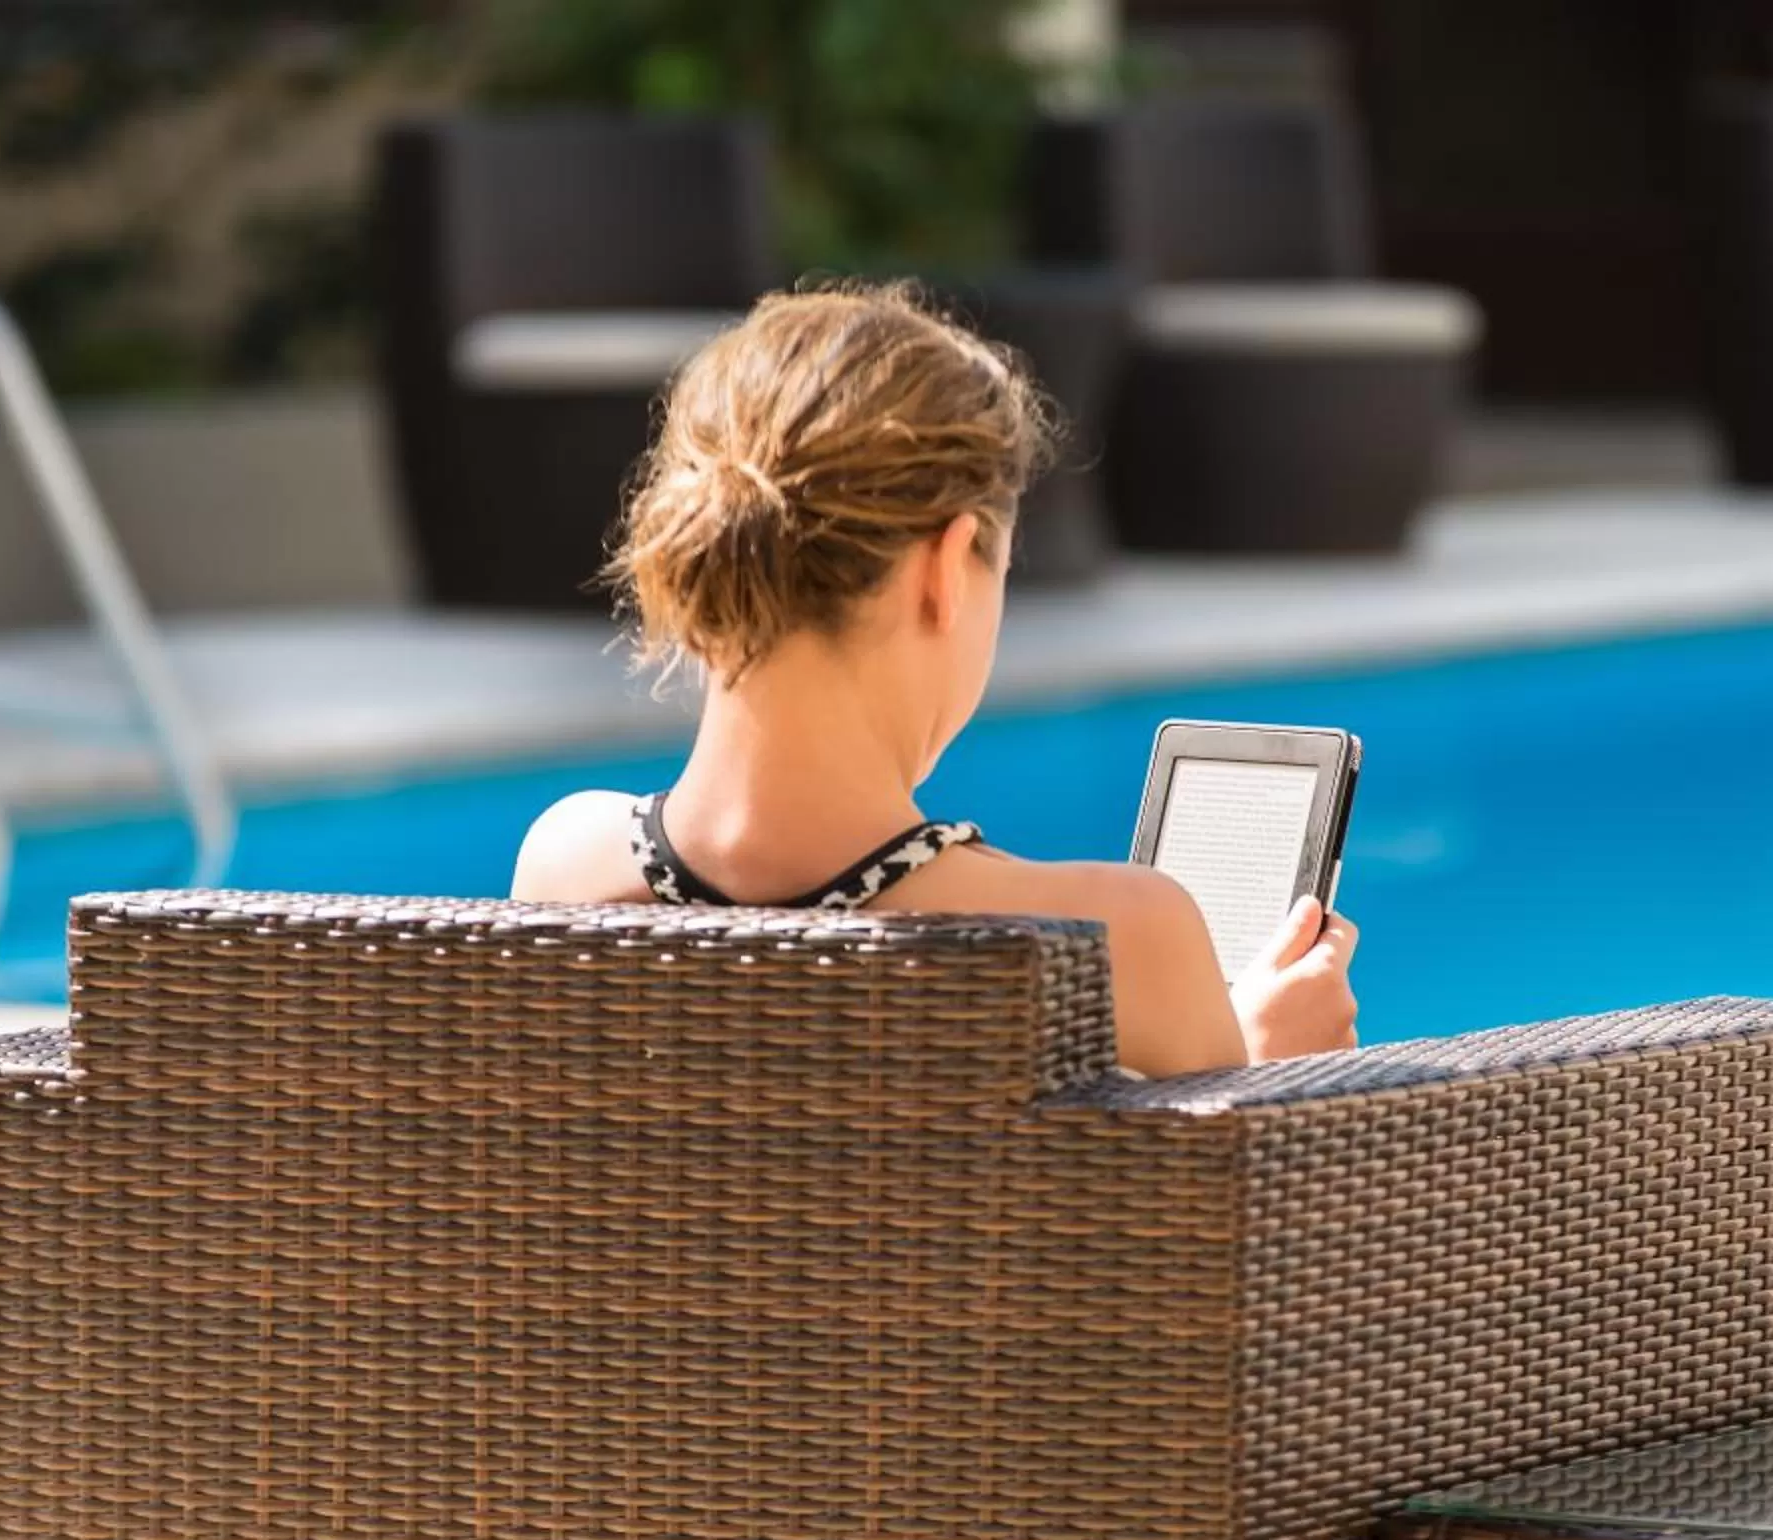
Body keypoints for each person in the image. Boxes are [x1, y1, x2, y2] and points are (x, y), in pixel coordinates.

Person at [512, 281, 1359, 1077]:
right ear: (947, 569)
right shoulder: (1117, 944)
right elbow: (1212, 1191)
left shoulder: (566, 873)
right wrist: (1266, 1073)